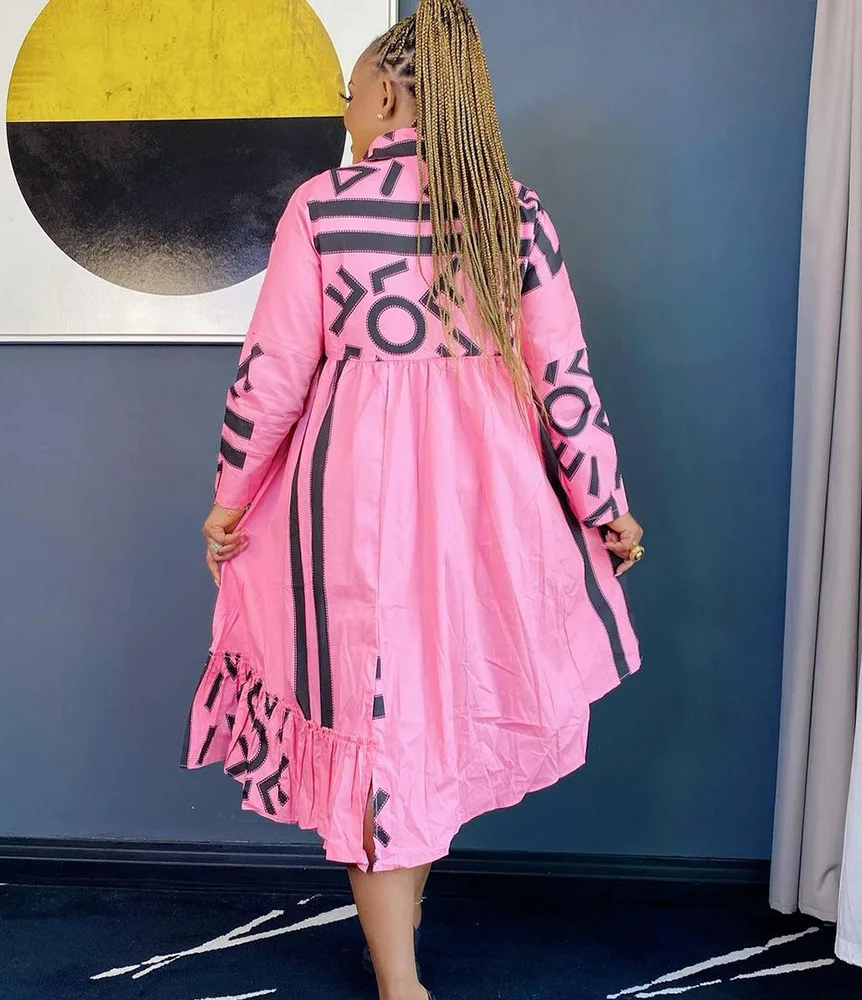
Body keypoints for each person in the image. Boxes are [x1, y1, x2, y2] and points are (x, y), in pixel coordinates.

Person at [181, 2, 643, 998]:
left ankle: (401, 982)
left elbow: (271, 377)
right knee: (429, 717)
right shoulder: (514, 212)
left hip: (351, 508)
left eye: (350, 95)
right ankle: (401, 946)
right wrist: (603, 499)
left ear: (389, 96)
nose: (345, 113)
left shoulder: (323, 207)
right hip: (485, 513)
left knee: (373, 718)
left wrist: (232, 495)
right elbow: (564, 378)